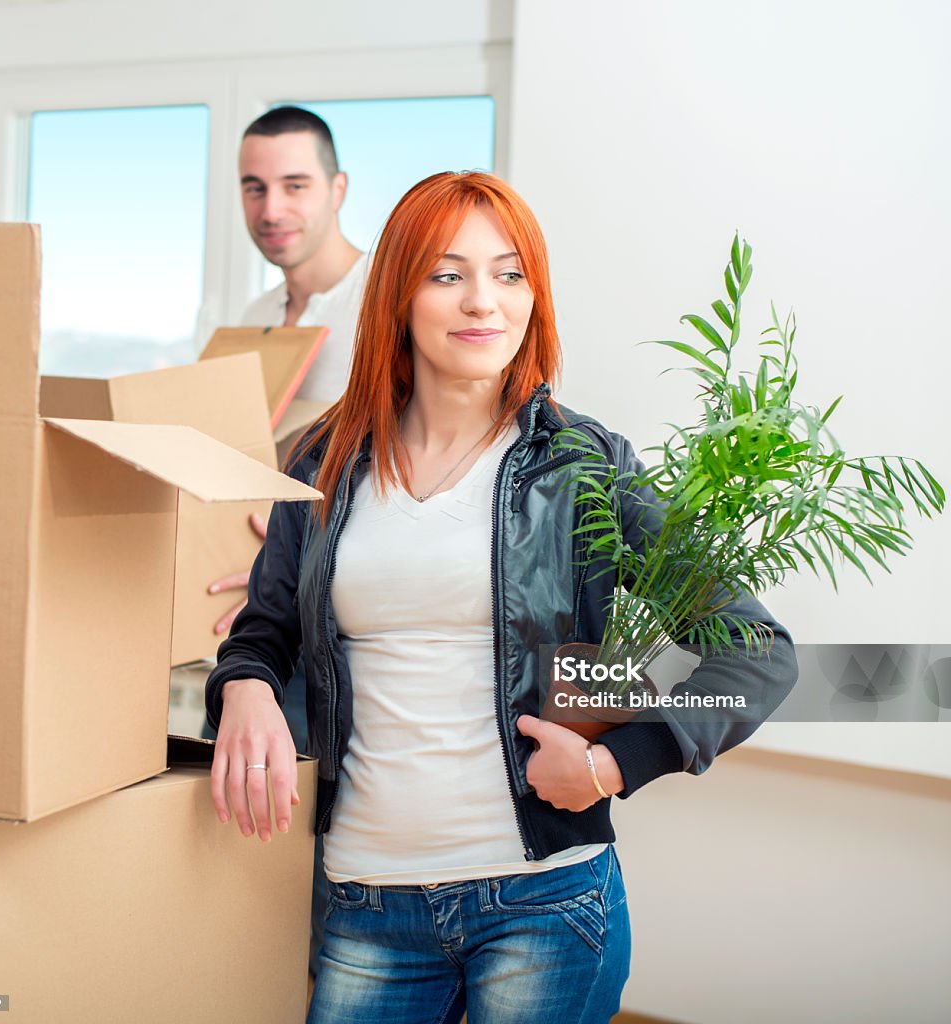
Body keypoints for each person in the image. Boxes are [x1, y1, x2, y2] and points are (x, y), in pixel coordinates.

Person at [205, 171, 798, 1022]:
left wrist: (611, 763)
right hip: (367, 900)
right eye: (448, 274)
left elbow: (750, 648)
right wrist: (249, 688)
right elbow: (263, 633)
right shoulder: (325, 458)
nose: (483, 300)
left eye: (510, 273)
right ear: (399, 295)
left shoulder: (583, 465)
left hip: (543, 903)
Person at [201, 105, 369, 978]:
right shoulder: (257, 319)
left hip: (336, 628)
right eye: (254, 187)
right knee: (243, 862)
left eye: (296, 184)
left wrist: (303, 517)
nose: (273, 207)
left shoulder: (386, 306)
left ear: (337, 190)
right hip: (250, 615)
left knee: (315, 873)